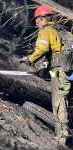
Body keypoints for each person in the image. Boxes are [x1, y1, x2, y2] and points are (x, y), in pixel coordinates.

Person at [20, 4, 71, 145]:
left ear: (44, 19)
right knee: (65, 101)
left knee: (59, 102)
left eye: (38, 19)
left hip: (59, 71)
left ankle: (62, 136)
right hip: (66, 70)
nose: (36, 22)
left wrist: (29, 59)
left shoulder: (46, 31)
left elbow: (42, 48)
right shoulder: (59, 30)